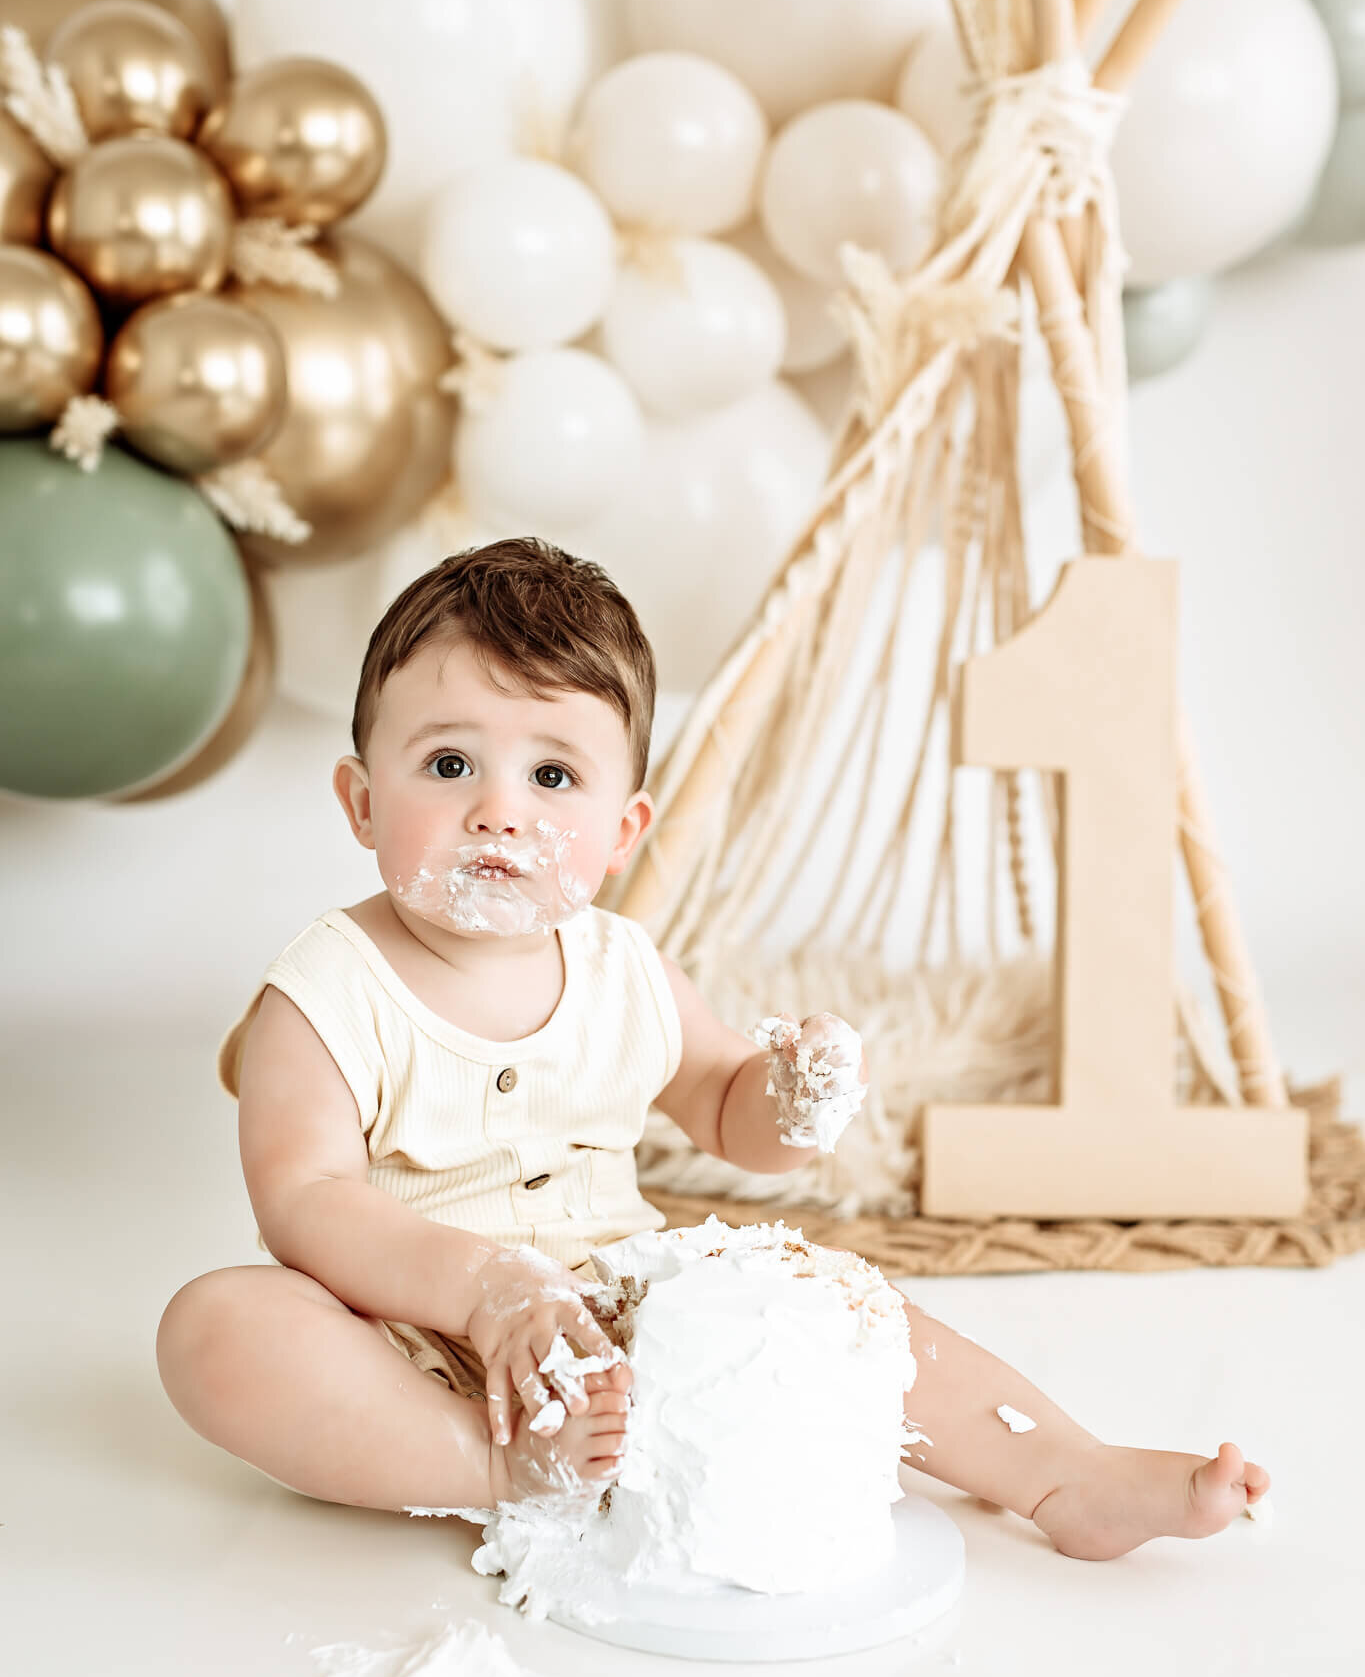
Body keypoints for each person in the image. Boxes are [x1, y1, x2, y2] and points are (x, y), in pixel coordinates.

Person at [156, 537, 1269, 1560]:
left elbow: (722, 1100)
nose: (498, 811)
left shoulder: (622, 968)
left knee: (844, 1299)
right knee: (218, 1327)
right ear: (360, 799)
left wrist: (787, 1098)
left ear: (622, 830)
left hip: (623, 1301)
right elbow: (303, 1199)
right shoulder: (326, 987)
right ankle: (494, 1462)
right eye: (449, 766)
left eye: (552, 777)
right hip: (402, 1334)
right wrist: (483, 1291)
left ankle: (1058, 1469)